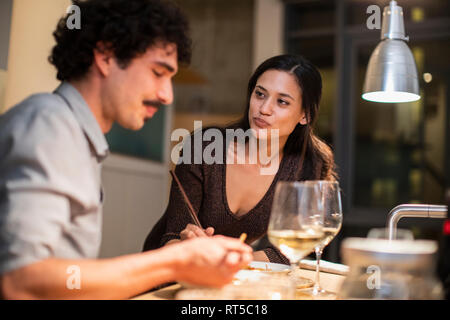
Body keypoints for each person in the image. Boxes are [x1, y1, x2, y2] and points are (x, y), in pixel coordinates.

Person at [0, 0, 252, 300]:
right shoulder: (50, 127)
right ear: (106, 57)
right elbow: (21, 281)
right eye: (159, 72)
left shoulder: (74, 133)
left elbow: (69, 279)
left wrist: (178, 262)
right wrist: (176, 261)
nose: (167, 95)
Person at [143, 54, 338, 264]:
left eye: (282, 101)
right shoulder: (206, 146)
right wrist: (191, 243)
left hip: (227, 273)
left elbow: (292, 252)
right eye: (260, 94)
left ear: (305, 115)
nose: (264, 109)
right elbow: (173, 236)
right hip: (163, 266)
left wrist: (232, 259)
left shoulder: (308, 164)